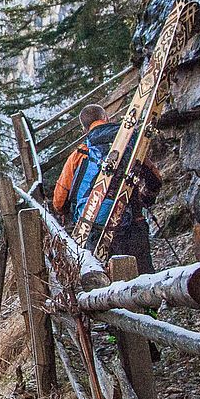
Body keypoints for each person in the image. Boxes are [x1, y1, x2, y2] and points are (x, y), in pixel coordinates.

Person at [50, 104, 162, 273]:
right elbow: (155, 179)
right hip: (132, 224)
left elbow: (58, 203)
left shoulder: (79, 154)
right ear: (107, 119)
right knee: (144, 277)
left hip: (93, 227)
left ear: (84, 129)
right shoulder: (129, 145)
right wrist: (146, 198)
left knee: (104, 285)